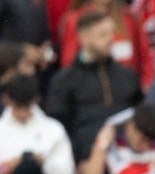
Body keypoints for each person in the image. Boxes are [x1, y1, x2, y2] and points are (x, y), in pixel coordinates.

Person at [46, 9, 143, 162]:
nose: (111, 39)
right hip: (86, 161)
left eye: (111, 33)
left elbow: (140, 114)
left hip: (129, 159)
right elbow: (58, 127)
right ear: (83, 37)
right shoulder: (64, 80)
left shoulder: (127, 75)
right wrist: (78, 158)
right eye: (103, 35)